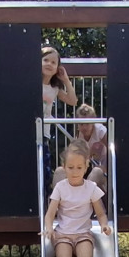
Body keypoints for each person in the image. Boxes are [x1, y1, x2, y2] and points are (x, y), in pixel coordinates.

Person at [43, 139, 111, 257]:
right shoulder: (61, 187)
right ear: (64, 167)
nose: (75, 172)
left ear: (86, 166)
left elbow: (100, 213)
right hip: (63, 234)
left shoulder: (91, 188)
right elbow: (50, 214)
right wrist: (48, 228)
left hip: (83, 234)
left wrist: (104, 225)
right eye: (71, 167)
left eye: (79, 168)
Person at [51, 103, 108, 194]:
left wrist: (105, 167)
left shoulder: (101, 131)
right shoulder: (78, 134)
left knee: (96, 173)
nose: (84, 127)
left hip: (104, 169)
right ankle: (58, 199)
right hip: (86, 167)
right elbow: (72, 154)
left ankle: (83, 198)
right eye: (81, 124)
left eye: (87, 124)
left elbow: (112, 150)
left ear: (93, 122)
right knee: (59, 172)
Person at [41, 46, 78, 186]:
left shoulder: (54, 88)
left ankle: (45, 196)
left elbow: (73, 101)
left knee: (45, 171)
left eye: (53, 62)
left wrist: (66, 80)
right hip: (29, 132)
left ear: (57, 68)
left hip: (44, 135)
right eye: (45, 60)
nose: (49, 64)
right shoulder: (32, 83)